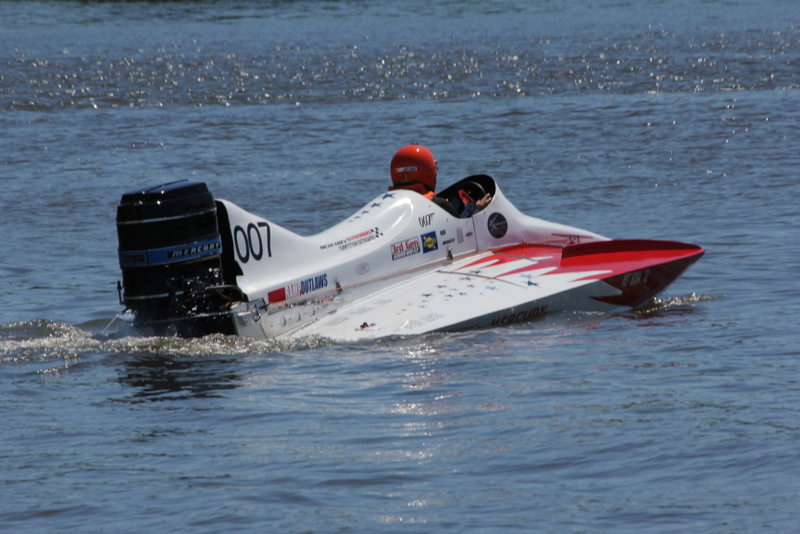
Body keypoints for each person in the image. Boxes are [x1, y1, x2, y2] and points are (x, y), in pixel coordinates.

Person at [389, 144, 491, 218]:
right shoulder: (439, 206)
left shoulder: (389, 204)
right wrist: (479, 208)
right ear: (429, 173)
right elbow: (466, 231)